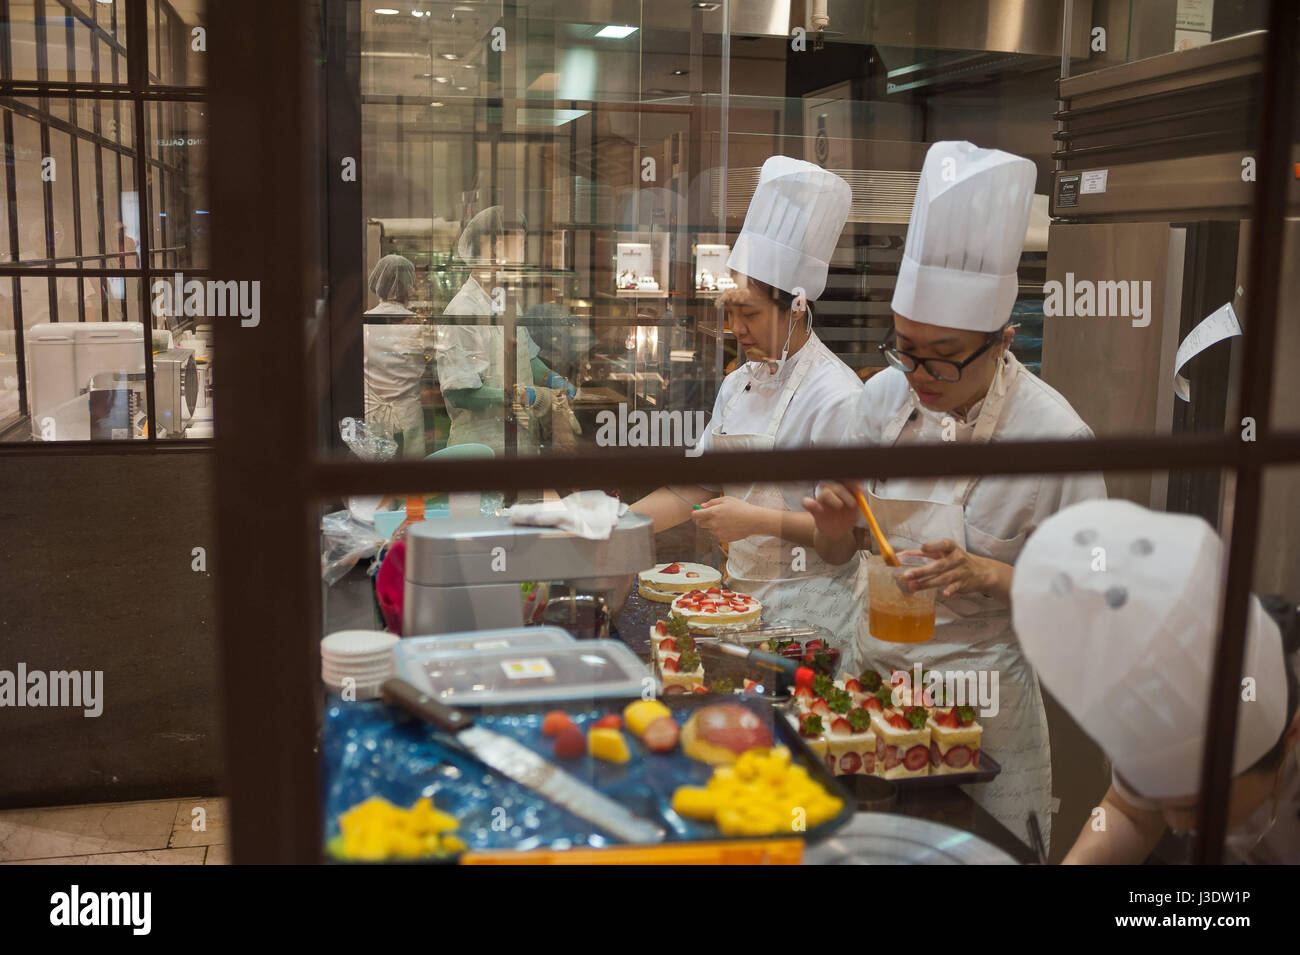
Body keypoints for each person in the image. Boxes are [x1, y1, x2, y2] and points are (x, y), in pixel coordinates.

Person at [803, 141, 1106, 847]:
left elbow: (1095, 600)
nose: (918, 373)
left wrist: (990, 574)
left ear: (1003, 340)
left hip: (986, 721)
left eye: (941, 356)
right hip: (872, 705)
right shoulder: (881, 401)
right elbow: (834, 552)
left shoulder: (1055, 439)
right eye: (904, 346)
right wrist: (837, 525)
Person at [632, 156, 867, 669]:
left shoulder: (837, 397)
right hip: (735, 609)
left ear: (797, 307)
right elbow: (693, 487)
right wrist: (617, 526)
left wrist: (754, 520)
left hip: (813, 624)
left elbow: (846, 540)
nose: (736, 327)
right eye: (731, 310)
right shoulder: (739, 383)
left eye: (752, 313)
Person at [1012, 499, 1299, 864]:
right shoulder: (1170, 684)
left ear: (1290, 736)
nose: (1175, 823)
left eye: (1195, 805)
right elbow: (1129, 814)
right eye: (1158, 798)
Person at [435, 211, 580, 456]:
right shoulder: (463, 310)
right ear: (494, 249)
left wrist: (551, 379)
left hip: (518, 436)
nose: (523, 257)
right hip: (480, 444)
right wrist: (522, 395)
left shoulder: (505, 302)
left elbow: (526, 356)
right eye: (520, 246)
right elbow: (460, 393)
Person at [362, 254, 429, 457]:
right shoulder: (416, 323)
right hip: (407, 416)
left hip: (371, 415)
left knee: (376, 479)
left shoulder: (364, 322)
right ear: (407, 285)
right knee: (409, 482)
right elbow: (437, 355)